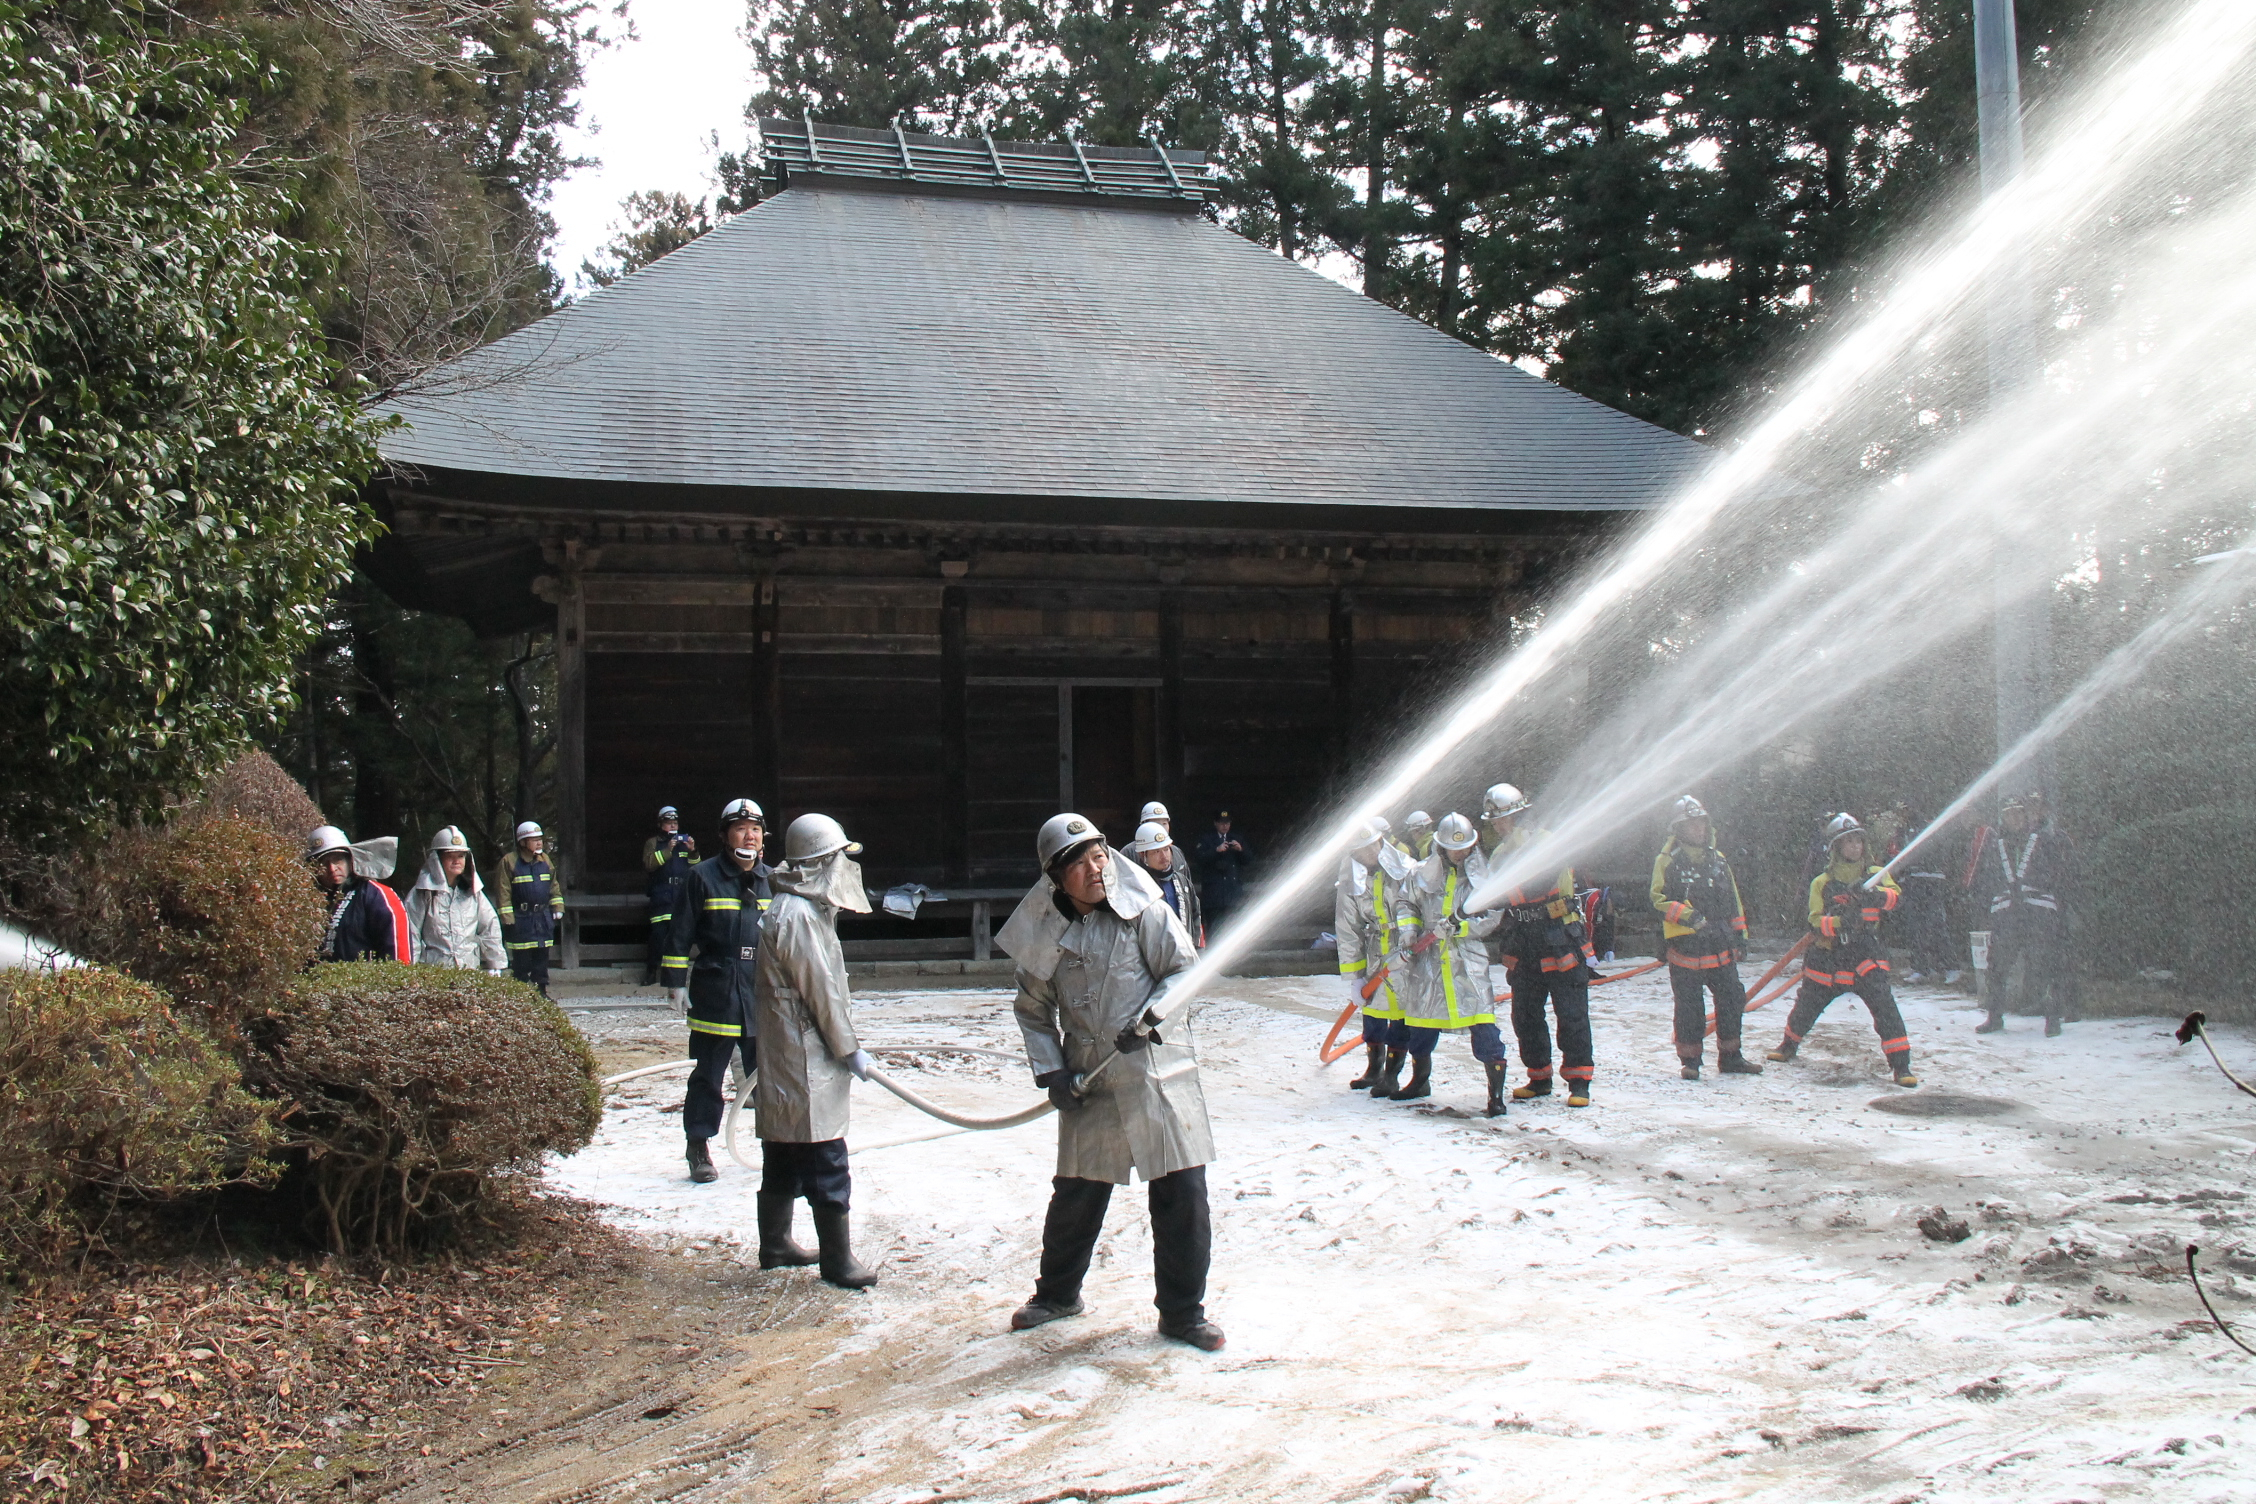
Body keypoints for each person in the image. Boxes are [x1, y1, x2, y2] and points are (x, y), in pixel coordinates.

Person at [996, 812, 1222, 1351]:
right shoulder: (1043, 935)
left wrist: (1150, 1016)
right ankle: (1056, 1294)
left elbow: (1183, 971)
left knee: (1182, 1195)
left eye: (1099, 856)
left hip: (1156, 1074)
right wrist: (1051, 1071)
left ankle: (1183, 1313)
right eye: (1080, 863)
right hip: (1088, 1079)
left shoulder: (1145, 910)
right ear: (1056, 876)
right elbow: (1032, 1012)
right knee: (1076, 1193)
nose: (1097, 870)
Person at [753, 813, 879, 1288]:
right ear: (820, 863)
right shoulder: (797, 915)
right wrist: (850, 1049)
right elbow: (821, 993)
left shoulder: (800, 908)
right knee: (825, 1156)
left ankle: (776, 1242)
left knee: (783, 1150)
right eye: (839, 859)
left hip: (791, 1055)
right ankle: (838, 1260)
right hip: (806, 1056)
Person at [666, 798, 773, 1183]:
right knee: (709, 1076)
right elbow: (680, 933)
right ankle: (698, 1146)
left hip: (762, 990)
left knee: (769, 1076)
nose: (750, 835)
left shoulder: (772, 880)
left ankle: (775, 1147)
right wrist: (676, 982)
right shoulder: (704, 877)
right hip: (717, 988)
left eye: (756, 829)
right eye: (741, 828)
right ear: (726, 835)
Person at [1768, 815, 1918, 1087]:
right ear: (1835, 848)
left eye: (1859, 840)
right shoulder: (1821, 883)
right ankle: (1788, 1045)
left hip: (1865, 952)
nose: (1855, 846)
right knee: (1808, 1004)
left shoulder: (1876, 875)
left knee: (1884, 1005)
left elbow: (1897, 900)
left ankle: (1901, 1066)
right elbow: (1814, 921)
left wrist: (1879, 896)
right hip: (1829, 955)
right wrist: (1839, 922)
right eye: (1848, 841)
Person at [1485, 786, 1598, 1107]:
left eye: (1501, 819)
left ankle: (1579, 1082)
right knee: (1525, 1015)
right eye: (1493, 820)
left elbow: (1538, 880)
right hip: (1523, 940)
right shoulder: (1499, 855)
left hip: (1559, 935)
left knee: (1572, 1013)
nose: (1496, 826)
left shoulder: (1546, 842)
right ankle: (1539, 1077)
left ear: (1517, 815)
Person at [1401, 812, 1510, 1114]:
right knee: (1422, 1024)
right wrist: (1409, 931)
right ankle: (1419, 1081)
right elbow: (1405, 903)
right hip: (1429, 961)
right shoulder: (1421, 873)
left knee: (1483, 1023)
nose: (1459, 854)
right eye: (1453, 848)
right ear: (1441, 848)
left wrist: (1460, 928)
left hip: (1467, 960)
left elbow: (1492, 915)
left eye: (1465, 848)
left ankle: (1496, 1095)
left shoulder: (1485, 876)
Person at [1650, 797, 1759, 1081]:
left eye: (1701, 823)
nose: (1698, 829)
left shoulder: (1718, 860)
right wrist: (1690, 917)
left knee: (1732, 999)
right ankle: (1691, 1061)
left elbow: (1733, 901)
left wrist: (1740, 937)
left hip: (1719, 945)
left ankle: (1731, 1057)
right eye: (1691, 824)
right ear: (1679, 829)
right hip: (1686, 948)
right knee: (1689, 1008)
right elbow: (1658, 899)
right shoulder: (1668, 861)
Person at [1967, 795, 2074, 1037]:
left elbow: (2060, 873)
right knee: (1997, 965)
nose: (2013, 818)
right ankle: (1994, 1017)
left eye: (2018, 813)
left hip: (2039, 910)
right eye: (2008, 813)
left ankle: (2053, 1017)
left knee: (2045, 963)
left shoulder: (2046, 840)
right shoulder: (1995, 844)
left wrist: (2057, 904)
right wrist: (1986, 908)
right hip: (2006, 914)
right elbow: (1986, 879)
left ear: (2025, 816)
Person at [1333, 818, 1420, 1095]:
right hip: (1374, 950)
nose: (1368, 854)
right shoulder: (1350, 880)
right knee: (1371, 1011)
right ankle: (1373, 1069)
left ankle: (1392, 1075)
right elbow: (1347, 928)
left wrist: (1412, 940)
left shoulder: (1406, 869)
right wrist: (1355, 977)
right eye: (1360, 851)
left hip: (1405, 948)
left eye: (1372, 847)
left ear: (1381, 842)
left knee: (1402, 1013)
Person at [405, 825, 504, 972]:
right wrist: (410, 970)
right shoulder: (422, 893)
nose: (456, 861)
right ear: (437, 859)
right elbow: (410, 933)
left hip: (469, 970)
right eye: (450, 856)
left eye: (461, 856)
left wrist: (495, 966)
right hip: (434, 973)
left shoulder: (473, 893)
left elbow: (490, 927)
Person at [305, 825, 410, 963]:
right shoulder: (307, 902)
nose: (332, 868)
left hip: (364, 983)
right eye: (324, 864)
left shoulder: (376, 895)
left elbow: (398, 952)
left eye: (338, 859)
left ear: (350, 860)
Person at [495, 821, 563, 996]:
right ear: (523, 842)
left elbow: (553, 885)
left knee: (542, 957)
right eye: (534, 839)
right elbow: (503, 891)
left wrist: (557, 906)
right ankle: (522, 995)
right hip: (522, 917)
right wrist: (508, 919)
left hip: (542, 917)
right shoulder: (509, 862)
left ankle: (541, 991)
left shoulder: (545, 860)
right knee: (522, 961)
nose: (539, 843)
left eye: (540, 839)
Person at [641, 806, 697, 986]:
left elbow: (697, 868)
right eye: (668, 823)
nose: (672, 826)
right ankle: (651, 971)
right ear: (660, 824)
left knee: (679, 937)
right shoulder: (653, 842)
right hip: (661, 895)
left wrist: (693, 851)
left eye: (675, 823)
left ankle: (674, 977)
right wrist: (667, 850)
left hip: (680, 895)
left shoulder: (685, 843)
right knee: (658, 936)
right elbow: (649, 864)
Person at [1134, 802, 1203, 943]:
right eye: (1156, 852)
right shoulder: (1137, 885)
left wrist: (1195, 946)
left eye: (1166, 849)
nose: (1164, 856)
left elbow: (1194, 913)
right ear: (1142, 855)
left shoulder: (1182, 881)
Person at [1193, 813, 1248, 933]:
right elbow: (1199, 859)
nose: (1225, 826)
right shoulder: (1206, 839)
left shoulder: (1236, 838)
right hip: (1214, 893)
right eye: (1222, 823)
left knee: (1233, 927)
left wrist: (1240, 850)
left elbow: (1248, 860)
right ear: (1216, 823)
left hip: (1232, 891)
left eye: (1227, 823)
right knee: (1214, 928)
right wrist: (1216, 850)